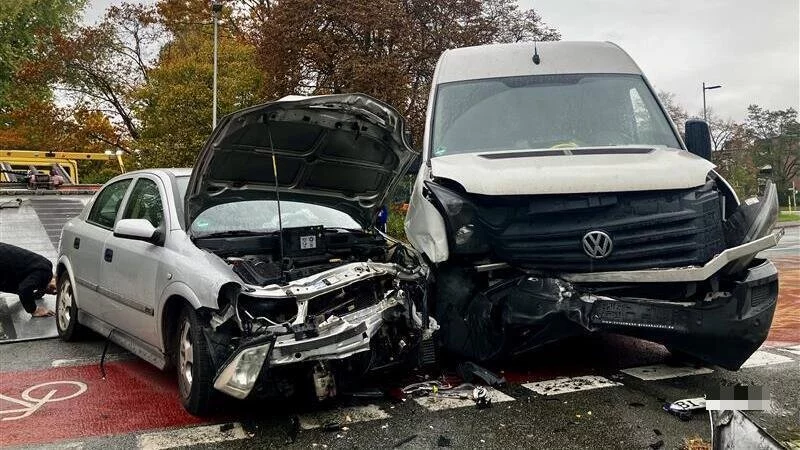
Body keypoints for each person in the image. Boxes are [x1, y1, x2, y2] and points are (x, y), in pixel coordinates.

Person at [0, 242, 57, 317]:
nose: (54, 291)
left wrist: (38, 293)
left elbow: (21, 286)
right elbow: (24, 289)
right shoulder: (45, 272)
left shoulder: (44, 266)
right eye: (55, 289)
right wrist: (34, 310)